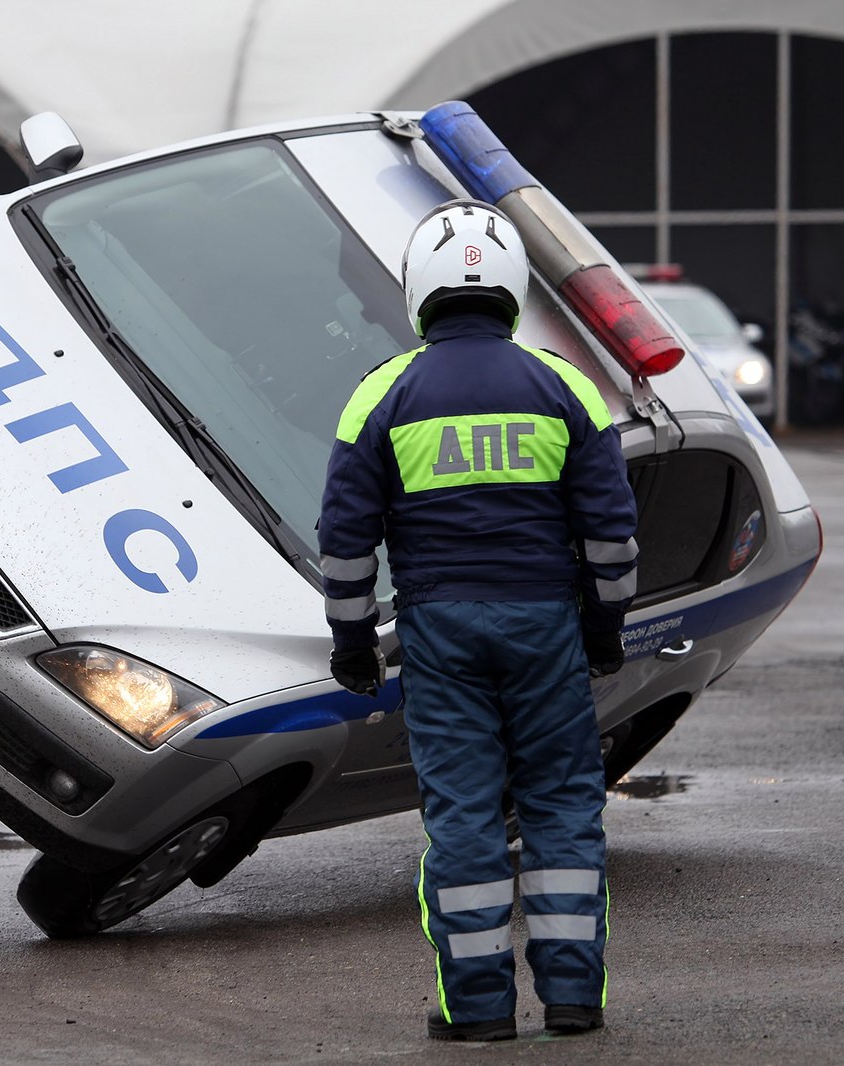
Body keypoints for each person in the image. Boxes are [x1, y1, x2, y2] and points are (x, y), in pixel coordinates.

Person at [318, 199, 638, 1042]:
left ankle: (479, 1009)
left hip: (439, 632)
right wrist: (604, 628)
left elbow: (345, 542)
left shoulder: (380, 396)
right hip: (546, 627)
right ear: (511, 287)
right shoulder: (566, 386)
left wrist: (353, 645)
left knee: (462, 814)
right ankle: (573, 1000)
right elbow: (611, 532)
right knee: (562, 804)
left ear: (421, 288)